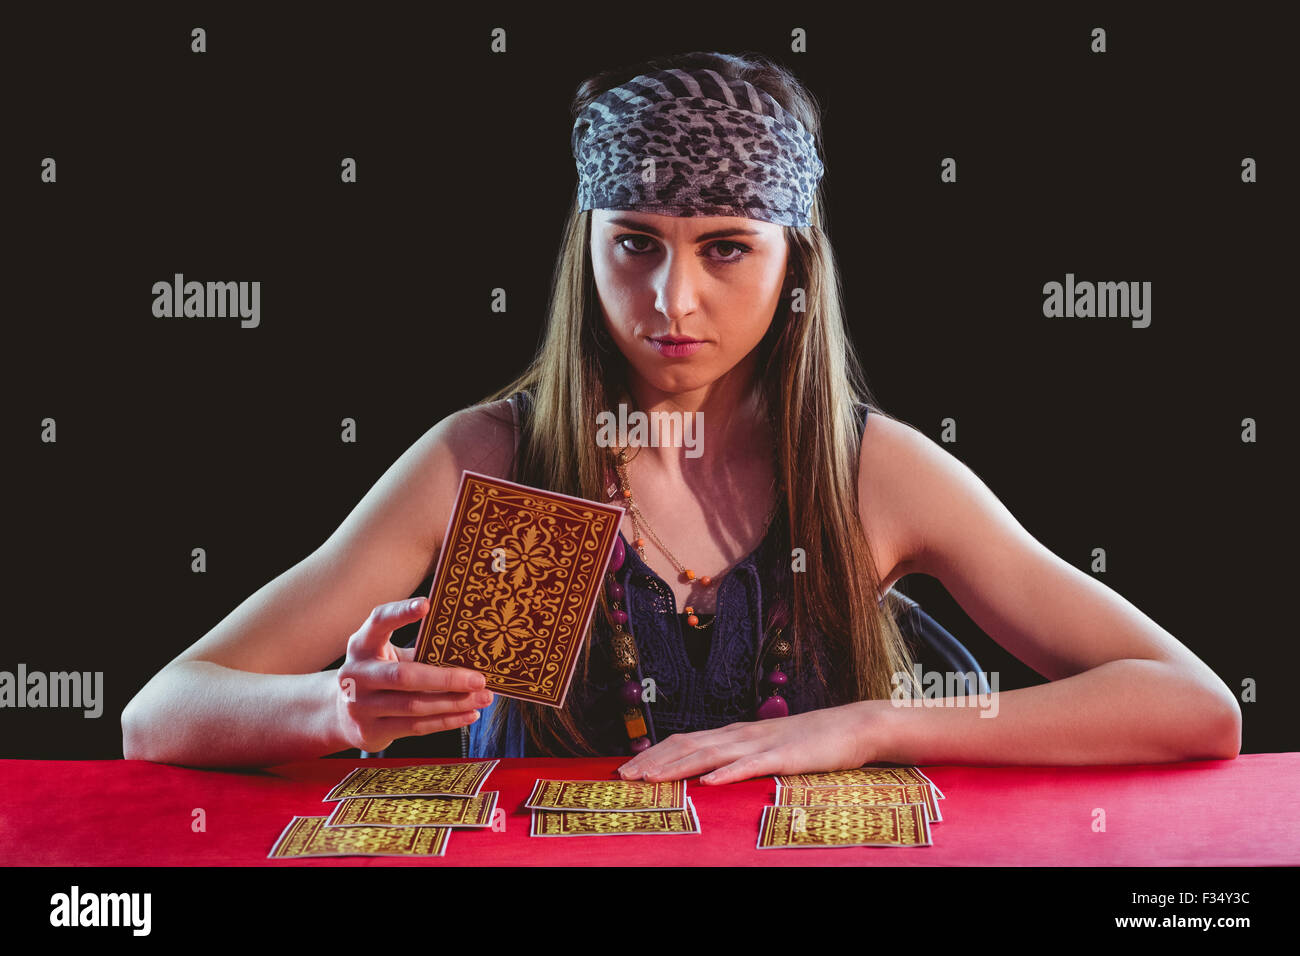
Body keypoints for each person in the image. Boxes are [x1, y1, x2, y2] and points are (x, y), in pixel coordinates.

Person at [122, 51, 1241, 782]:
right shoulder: (497, 462)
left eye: (724, 249)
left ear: (793, 256)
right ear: (586, 247)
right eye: (635, 244)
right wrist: (335, 706)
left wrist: (873, 722)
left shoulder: (867, 472)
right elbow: (159, 713)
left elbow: (1191, 704)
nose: (671, 299)